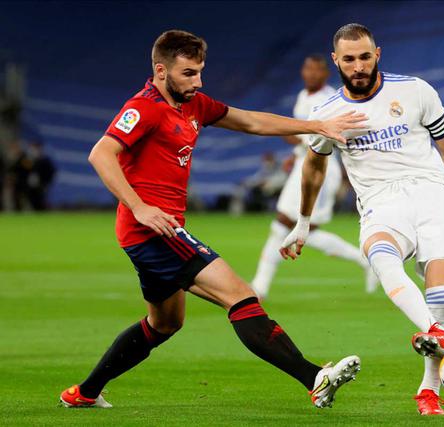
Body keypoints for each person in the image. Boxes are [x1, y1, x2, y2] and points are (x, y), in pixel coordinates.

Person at [59, 30, 366, 410]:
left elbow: (252, 122)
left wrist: (316, 127)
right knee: (241, 296)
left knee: (164, 324)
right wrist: (139, 206)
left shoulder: (194, 105)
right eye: (188, 73)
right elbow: (101, 154)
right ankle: (313, 377)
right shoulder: (144, 108)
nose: (198, 81)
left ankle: (85, 393)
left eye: (200, 71)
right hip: (154, 230)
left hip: (156, 232)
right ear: (160, 70)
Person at [280, 23, 444, 416]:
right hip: (380, 199)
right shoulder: (326, 112)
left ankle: (429, 390)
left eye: (364, 56)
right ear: (336, 61)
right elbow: (312, 168)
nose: (358, 66)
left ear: (377, 54)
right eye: (349, 59)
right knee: (381, 256)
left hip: (432, 192)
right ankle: (437, 335)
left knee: (443, 295)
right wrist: (304, 220)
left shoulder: (415, 91)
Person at [251, 54, 376, 299]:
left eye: (316, 70)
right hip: (302, 162)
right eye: (307, 68)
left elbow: (321, 135)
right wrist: (295, 150)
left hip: (321, 166)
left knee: (293, 225)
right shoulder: (303, 96)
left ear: (325, 74)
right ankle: (259, 286)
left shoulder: (328, 99)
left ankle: (260, 286)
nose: (311, 74)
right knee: (287, 225)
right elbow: (302, 136)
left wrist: (289, 134)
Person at [26, 141, 56, 210]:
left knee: (41, 201)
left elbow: (51, 172)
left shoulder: (45, 160)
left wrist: (46, 182)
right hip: (30, 186)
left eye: (35, 148)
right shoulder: (29, 159)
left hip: (41, 185)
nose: (33, 150)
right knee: (32, 200)